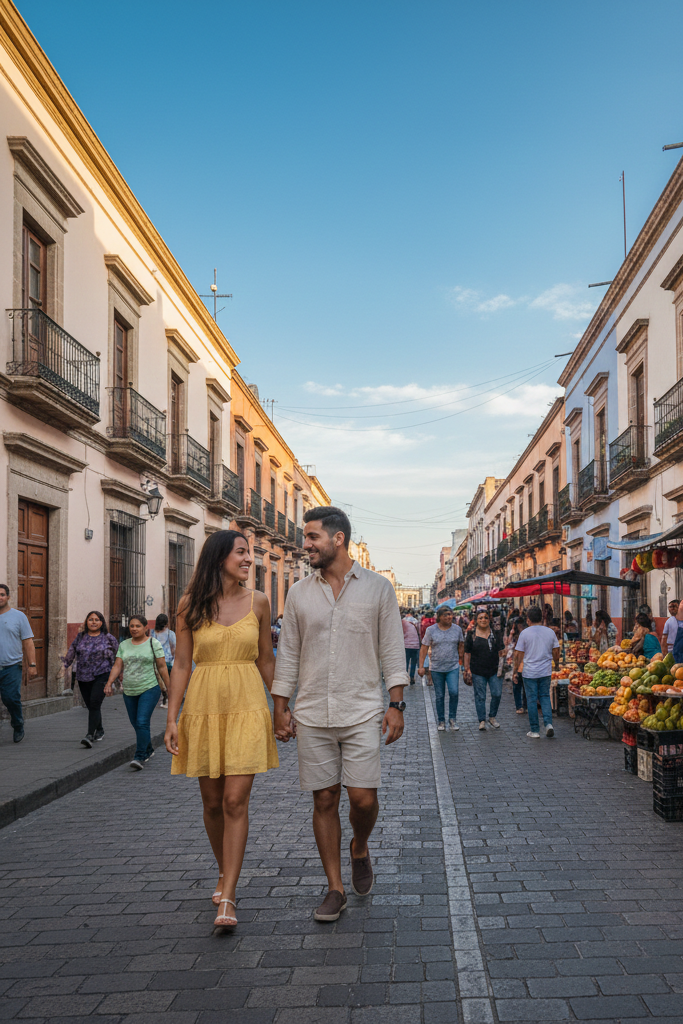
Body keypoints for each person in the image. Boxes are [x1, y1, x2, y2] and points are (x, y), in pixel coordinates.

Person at [272, 506, 406, 924]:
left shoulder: (378, 589)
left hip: (363, 706)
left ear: (339, 539)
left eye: (312, 537)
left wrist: (396, 703)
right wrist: (280, 706)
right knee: (324, 797)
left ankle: (359, 846)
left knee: (362, 797)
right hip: (312, 711)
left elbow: (392, 648)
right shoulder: (298, 593)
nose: (305, 544)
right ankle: (335, 887)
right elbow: (288, 652)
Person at [165, 530, 278, 930]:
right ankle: (224, 870)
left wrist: (282, 705)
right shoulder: (189, 605)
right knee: (212, 804)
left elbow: (266, 659)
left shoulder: (259, 602)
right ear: (218, 559)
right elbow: (181, 664)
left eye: (249, 553)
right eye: (242, 553)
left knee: (234, 800)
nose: (249, 560)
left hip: (247, 704)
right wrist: (171, 718)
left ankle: (228, 894)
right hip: (204, 707)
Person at [105, 615, 170, 770]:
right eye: (132, 626)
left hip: (149, 688)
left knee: (142, 721)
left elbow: (161, 667)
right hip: (129, 689)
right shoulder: (124, 645)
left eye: (138, 626)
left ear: (146, 627)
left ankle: (140, 756)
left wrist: (170, 687)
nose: (134, 628)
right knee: (136, 723)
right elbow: (117, 665)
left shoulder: (153, 643)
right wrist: (109, 683)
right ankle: (148, 749)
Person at [63, 611, 118, 747]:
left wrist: (116, 677)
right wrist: (64, 666)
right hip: (83, 676)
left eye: (97, 619)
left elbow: (119, 657)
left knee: (94, 703)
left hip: (102, 674)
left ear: (101, 622)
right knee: (91, 705)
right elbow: (72, 651)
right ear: (86, 622)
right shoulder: (80, 637)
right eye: (91, 619)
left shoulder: (109, 638)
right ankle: (100, 729)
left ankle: (89, 735)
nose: (93, 622)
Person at [514, 604, 560, 739]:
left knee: (532, 700)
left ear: (528, 619)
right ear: (542, 617)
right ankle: (548, 724)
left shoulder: (524, 633)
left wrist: (515, 671)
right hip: (545, 671)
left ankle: (535, 730)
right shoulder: (550, 632)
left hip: (529, 672)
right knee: (545, 697)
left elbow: (518, 655)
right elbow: (556, 651)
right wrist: (556, 664)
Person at [0, 583, 35, 743]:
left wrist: (32, 665)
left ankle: (18, 723)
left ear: (8, 597)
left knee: (10, 698)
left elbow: (28, 642)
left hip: (12, 666)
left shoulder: (19, 616)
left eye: (2, 594)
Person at [419, 606, 464, 730]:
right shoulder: (431, 630)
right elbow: (424, 647)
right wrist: (421, 666)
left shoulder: (457, 629)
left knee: (454, 692)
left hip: (453, 666)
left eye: (450, 614)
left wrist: (463, 664)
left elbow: (461, 646)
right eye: (445, 615)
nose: (449, 617)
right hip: (436, 668)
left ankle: (452, 719)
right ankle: (441, 721)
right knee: (439, 695)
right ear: (439, 617)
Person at [464, 609, 505, 730]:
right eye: (480, 618)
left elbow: (501, 651)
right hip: (477, 670)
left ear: (489, 620)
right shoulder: (472, 634)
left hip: (494, 669)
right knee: (480, 696)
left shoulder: (496, 634)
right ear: (476, 620)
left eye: (486, 618)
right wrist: (467, 669)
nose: (483, 620)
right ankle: (482, 720)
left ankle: (492, 717)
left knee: (496, 694)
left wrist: (503, 664)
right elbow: (467, 653)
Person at [150, 613, 176, 709]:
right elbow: (174, 648)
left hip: (156, 661)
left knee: (160, 681)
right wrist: (173, 658)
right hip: (168, 661)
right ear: (166, 623)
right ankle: (169, 700)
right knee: (169, 681)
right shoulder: (171, 633)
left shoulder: (152, 632)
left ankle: (164, 697)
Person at [402, 610, 421, 684]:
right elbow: (419, 632)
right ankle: (412, 677)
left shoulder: (403, 621)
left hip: (406, 644)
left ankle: (405, 677)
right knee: (413, 662)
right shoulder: (416, 621)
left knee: (405, 662)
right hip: (415, 645)